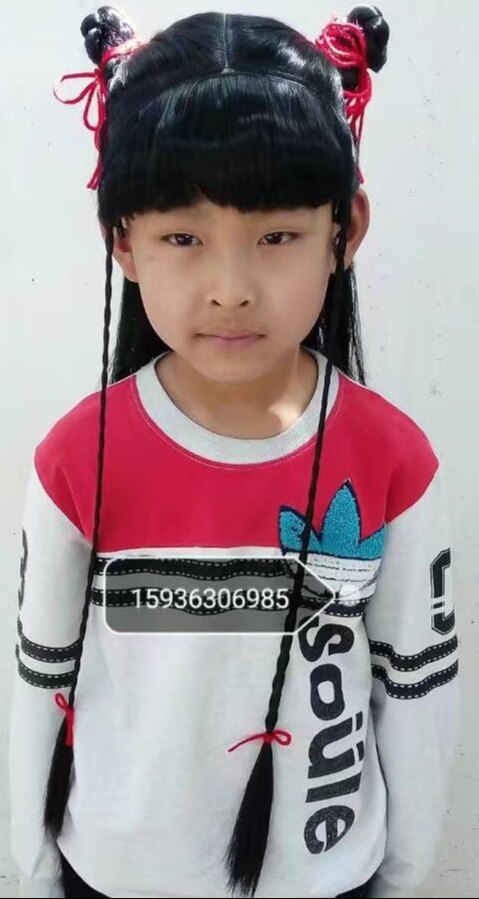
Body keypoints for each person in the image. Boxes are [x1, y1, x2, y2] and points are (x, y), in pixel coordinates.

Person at [8, 5, 459, 899]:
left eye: (276, 235)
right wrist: (35, 867)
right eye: (183, 237)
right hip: (117, 874)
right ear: (123, 241)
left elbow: (417, 694)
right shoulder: (77, 458)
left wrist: (403, 875)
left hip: (324, 875)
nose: (230, 287)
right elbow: (38, 682)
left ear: (344, 230)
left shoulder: (392, 461)